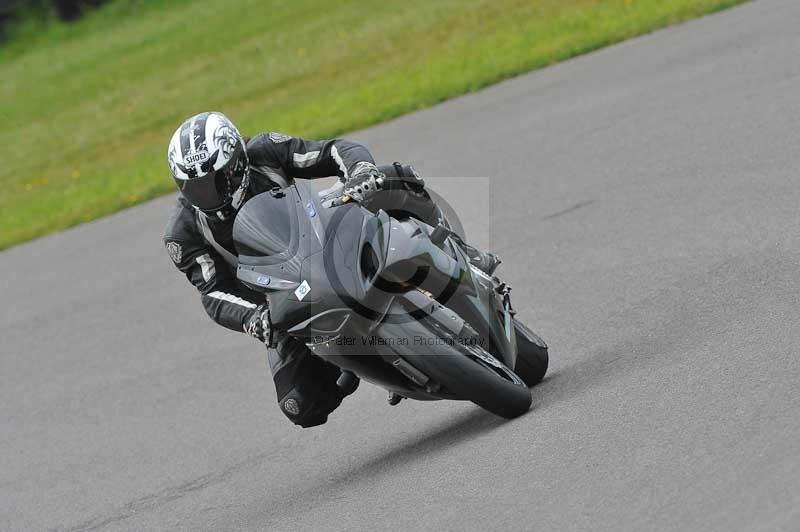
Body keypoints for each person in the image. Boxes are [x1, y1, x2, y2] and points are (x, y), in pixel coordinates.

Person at [163, 111, 498, 428]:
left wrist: (361, 172)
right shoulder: (184, 233)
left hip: (323, 238)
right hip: (283, 299)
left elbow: (333, 151)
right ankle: (355, 365)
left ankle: (462, 251)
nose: (206, 194)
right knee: (300, 405)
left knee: (393, 176)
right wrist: (254, 318)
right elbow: (212, 293)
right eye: (194, 187)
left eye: (215, 180)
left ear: (236, 163)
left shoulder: (264, 151)